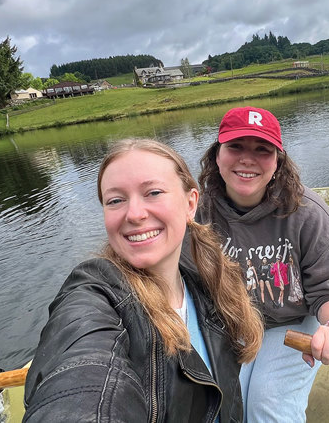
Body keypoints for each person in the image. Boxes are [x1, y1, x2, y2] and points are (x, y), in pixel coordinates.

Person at [23, 138, 264, 422]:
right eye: (115, 200)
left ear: (190, 204)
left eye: (153, 193)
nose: (134, 214)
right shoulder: (97, 294)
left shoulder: (206, 276)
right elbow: (81, 377)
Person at [186, 106, 329, 422]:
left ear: (277, 161)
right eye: (235, 146)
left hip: (290, 325)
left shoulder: (307, 213)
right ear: (217, 156)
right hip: (229, 326)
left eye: (262, 150)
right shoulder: (196, 213)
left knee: (267, 408)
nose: (247, 159)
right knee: (223, 404)